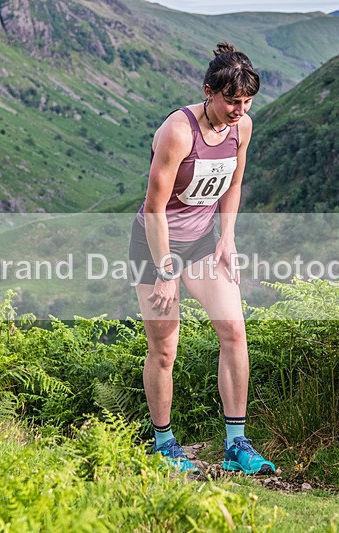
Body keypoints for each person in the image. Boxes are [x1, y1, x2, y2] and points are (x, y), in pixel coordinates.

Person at [129, 42, 275, 475]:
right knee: (165, 347)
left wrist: (227, 238)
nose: (239, 109)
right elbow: (154, 208)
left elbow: (233, 185)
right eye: (231, 101)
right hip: (154, 245)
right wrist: (164, 270)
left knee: (234, 331)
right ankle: (163, 444)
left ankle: (236, 443)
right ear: (208, 91)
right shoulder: (178, 131)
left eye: (247, 102)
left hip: (201, 244)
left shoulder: (241, 128)